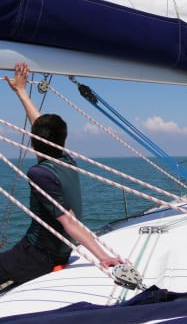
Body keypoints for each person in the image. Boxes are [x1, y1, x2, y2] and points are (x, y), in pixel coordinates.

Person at [0, 62, 122, 287]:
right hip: (56, 251)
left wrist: (103, 257)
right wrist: (21, 92)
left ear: (33, 141)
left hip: (37, 256)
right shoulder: (67, 160)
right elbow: (41, 128)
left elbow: (69, 221)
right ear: (62, 140)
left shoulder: (39, 173)